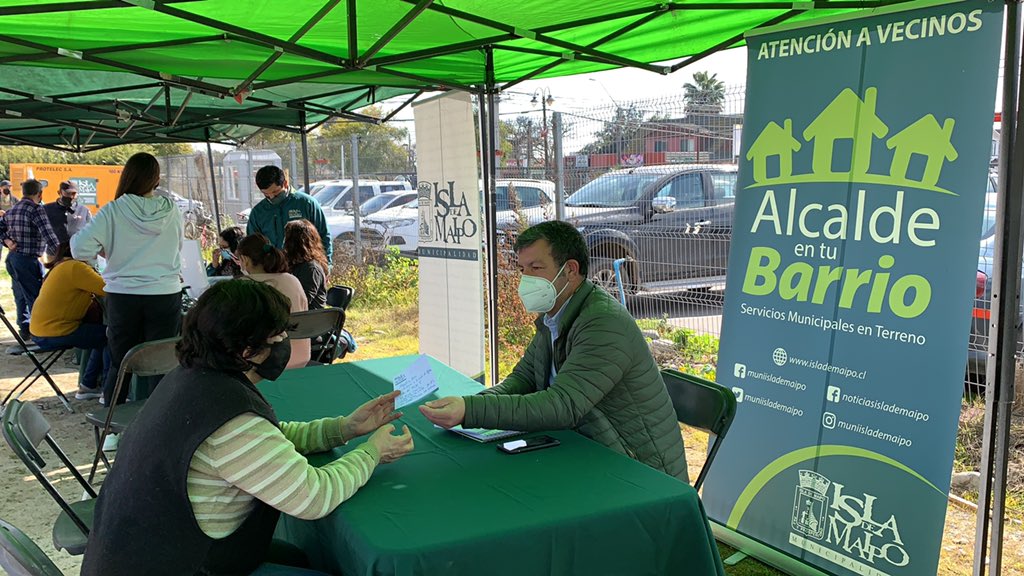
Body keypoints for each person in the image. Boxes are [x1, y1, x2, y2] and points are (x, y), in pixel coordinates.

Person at [81, 279, 414, 576]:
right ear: (246, 351)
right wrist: (373, 452)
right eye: (278, 336)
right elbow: (314, 495)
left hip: (145, 551)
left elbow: (268, 441)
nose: (285, 342)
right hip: (183, 564)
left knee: (303, 557)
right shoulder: (230, 420)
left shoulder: (190, 378)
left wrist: (344, 428)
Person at [419, 221, 688, 481]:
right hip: (587, 451)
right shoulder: (556, 315)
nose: (525, 279)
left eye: (536, 267)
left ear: (570, 270)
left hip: (640, 473)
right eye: (522, 269)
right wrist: (477, 403)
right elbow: (522, 380)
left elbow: (563, 405)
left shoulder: (603, 322)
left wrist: (470, 410)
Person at [72, 152, 183, 443]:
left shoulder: (113, 211)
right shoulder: (171, 210)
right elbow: (179, 246)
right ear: (156, 179)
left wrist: (107, 253)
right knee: (163, 360)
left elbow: (79, 248)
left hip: (123, 294)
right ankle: (164, 425)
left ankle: (112, 430)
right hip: (165, 292)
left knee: (121, 362)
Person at [29, 242, 109, 400]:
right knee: (110, 336)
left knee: (100, 337)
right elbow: (106, 288)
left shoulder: (61, 266)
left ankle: (88, 385)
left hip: (40, 330)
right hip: (56, 331)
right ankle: (109, 392)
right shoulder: (76, 268)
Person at [236, 233, 310, 369]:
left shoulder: (244, 285)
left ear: (244, 259)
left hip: (263, 361)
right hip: (301, 355)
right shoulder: (292, 279)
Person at [0, 179, 61, 340]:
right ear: (40, 194)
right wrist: (64, 255)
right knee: (36, 297)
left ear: (23, 192)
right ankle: (39, 334)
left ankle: (25, 328)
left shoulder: (13, 209)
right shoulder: (36, 210)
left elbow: (1, 227)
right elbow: (49, 235)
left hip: (12, 259)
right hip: (27, 259)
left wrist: (6, 240)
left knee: (20, 295)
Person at [247, 165, 332, 266]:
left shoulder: (306, 203)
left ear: (285, 183)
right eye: (266, 194)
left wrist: (327, 265)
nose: (272, 197)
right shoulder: (258, 212)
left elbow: (323, 235)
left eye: (276, 192)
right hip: (273, 269)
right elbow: (252, 244)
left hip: (304, 266)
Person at [283, 219, 328, 310]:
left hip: (308, 320)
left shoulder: (311, 269)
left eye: (286, 238)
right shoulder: (295, 264)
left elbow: (301, 303)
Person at [42, 181, 93, 254]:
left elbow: (90, 233)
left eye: (74, 194)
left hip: (76, 254)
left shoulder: (84, 211)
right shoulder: (47, 209)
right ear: (59, 193)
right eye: (68, 193)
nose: (71, 197)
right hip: (54, 254)